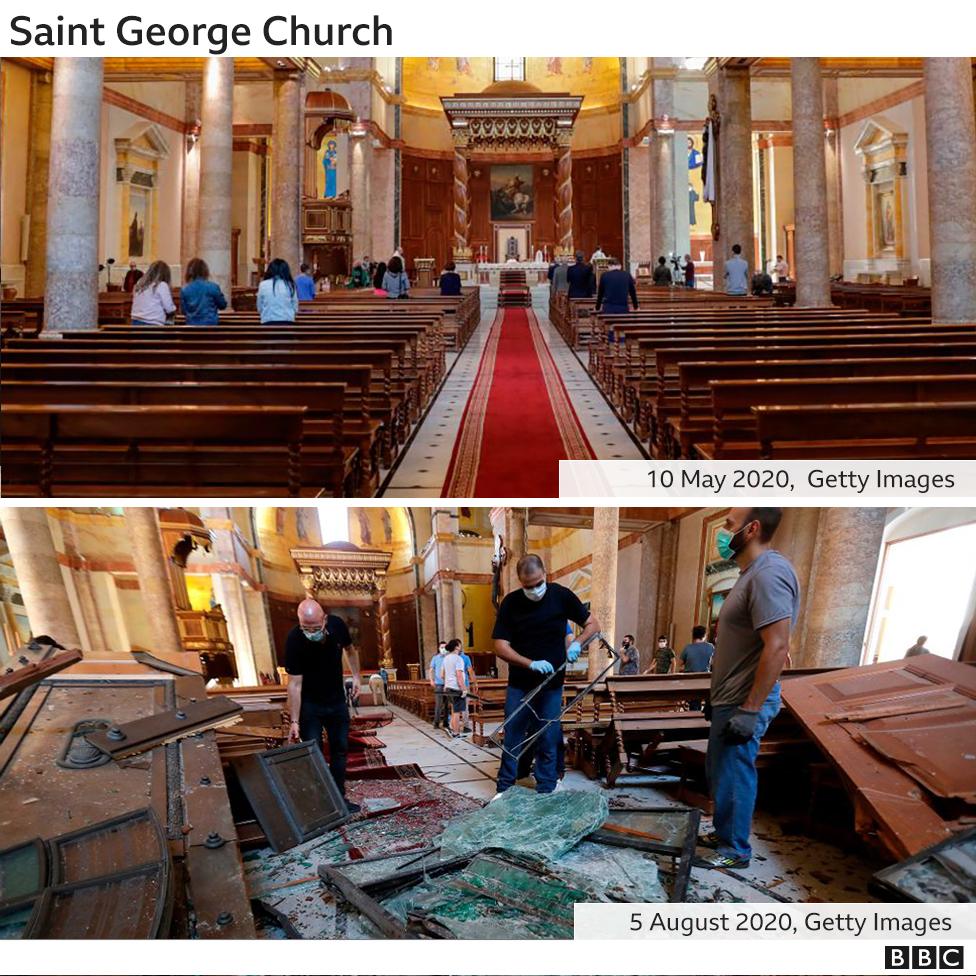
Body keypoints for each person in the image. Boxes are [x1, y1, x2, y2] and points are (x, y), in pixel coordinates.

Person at [698, 507, 799, 869]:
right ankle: (725, 833)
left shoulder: (769, 574)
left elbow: (777, 646)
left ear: (752, 528)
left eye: (728, 525)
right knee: (720, 771)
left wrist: (751, 709)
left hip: (745, 699)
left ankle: (735, 850)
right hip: (730, 696)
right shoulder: (750, 573)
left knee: (735, 773)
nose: (723, 532)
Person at [491, 554, 599, 796]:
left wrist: (577, 644)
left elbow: (593, 624)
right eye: (528, 586)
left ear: (545, 575)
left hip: (551, 684)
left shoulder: (561, 596)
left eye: (539, 583)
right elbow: (499, 645)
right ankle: (504, 788)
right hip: (520, 683)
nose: (534, 590)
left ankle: (547, 787)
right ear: (520, 582)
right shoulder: (511, 603)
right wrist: (529, 663)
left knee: (548, 735)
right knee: (513, 735)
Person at [285, 598, 361, 811]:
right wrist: (294, 721)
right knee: (314, 753)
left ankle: (338, 798)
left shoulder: (337, 625)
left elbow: (350, 649)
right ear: (300, 623)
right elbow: (294, 684)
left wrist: (356, 677)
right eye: (306, 628)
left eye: (316, 628)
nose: (311, 632)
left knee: (340, 750)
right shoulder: (294, 640)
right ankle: (321, 803)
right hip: (310, 706)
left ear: (325, 620)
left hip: (336, 701)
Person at [180, 258, 227, 325]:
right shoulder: (213, 287)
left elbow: (183, 311)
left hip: (191, 327)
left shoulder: (185, 289)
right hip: (210, 327)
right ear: (205, 271)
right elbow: (223, 305)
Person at [130, 261, 176, 326]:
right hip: (153, 325)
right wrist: (174, 308)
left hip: (135, 323)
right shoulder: (161, 285)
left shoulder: (140, 283)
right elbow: (169, 309)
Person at [257, 258, 298, 324]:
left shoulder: (263, 285)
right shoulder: (290, 285)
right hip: (287, 321)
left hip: (268, 321)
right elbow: (295, 307)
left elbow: (259, 307)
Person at [441, 638, 467, 737]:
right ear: (456, 646)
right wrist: (464, 688)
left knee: (453, 709)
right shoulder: (458, 659)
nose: (461, 647)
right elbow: (459, 675)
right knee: (457, 712)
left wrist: (446, 684)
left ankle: (452, 729)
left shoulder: (446, 658)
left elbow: (442, 675)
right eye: (460, 644)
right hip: (456, 688)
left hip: (448, 687)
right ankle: (456, 733)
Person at [428, 641, 447, 729]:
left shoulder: (448, 658)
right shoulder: (435, 658)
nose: (443, 649)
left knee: (447, 704)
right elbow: (431, 669)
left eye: (445, 647)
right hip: (439, 684)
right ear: (439, 649)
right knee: (439, 704)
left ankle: (446, 722)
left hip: (448, 684)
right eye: (441, 647)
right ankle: (436, 722)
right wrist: (431, 680)